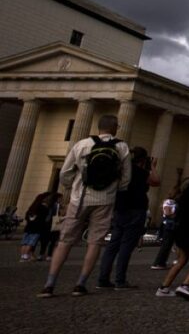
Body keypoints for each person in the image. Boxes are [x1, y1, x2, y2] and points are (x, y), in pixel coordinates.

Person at [38, 114, 131, 298]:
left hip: (79, 198)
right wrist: (111, 189)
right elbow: (126, 179)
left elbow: (64, 173)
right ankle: (80, 284)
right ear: (115, 128)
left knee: (65, 241)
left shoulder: (82, 144)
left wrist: (73, 186)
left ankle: (50, 284)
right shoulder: (122, 147)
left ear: (99, 127)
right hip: (105, 200)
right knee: (95, 242)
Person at [98, 146, 160, 289]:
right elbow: (156, 181)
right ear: (143, 159)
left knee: (113, 245)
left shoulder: (121, 171)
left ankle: (103, 279)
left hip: (120, 208)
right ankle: (120, 280)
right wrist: (152, 167)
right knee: (126, 246)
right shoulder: (140, 172)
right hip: (136, 210)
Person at [151, 190, 178, 269]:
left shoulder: (166, 202)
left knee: (166, 245)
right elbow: (169, 213)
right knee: (166, 245)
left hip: (167, 224)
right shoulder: (171, 202)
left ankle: (161, 262)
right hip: (170, 225)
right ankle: (159, 263)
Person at [20, 192, 50, 261]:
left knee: (25, 242)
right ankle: (25, 256)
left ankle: (22, 256)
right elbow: (44, 219)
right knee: (31, 243)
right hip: (37, 228)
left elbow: (26, 216)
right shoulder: (43, 208)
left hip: (29, 227)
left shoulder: (32, 206)